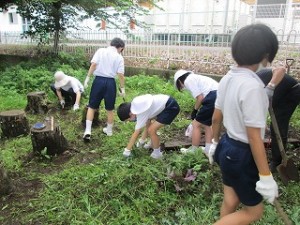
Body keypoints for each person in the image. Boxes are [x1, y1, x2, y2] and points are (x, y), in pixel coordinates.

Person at [208, 24, 284, 225]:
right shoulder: (253, 87)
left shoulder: (227, 78)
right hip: (242, 153)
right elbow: (253, 137)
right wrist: (266, 176)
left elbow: (216, 117)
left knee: (231, 199)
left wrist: (214, 143)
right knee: (253, 212)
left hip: (226, 146)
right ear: (266, 54)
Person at [257, 68, 300, 172]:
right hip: (281, 93)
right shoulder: (248, 82)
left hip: (291, 91)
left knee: (278, 124)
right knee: (275, 122)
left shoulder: (253, 81)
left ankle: (277, 161)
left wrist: (270, 87)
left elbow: (280, 69)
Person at [82, 37, 126, 140]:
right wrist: (122, 89)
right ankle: (109, 130)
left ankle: (88, 131)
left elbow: (93, 64)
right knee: (110, 109)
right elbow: (120, 75)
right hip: (110, 83)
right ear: (120, 48)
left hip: (98, 81)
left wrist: (87, 78)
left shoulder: (101, 51)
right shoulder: (119, 57)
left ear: (111, 44)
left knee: (92, 106)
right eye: (122, 50)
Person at [117, 94, 180, 159]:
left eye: (128, 119)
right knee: (148, 123)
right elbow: (148, 123)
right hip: (167, 102)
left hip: (171, 107)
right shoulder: (136, 106)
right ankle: (149, 143)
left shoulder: (140, 112)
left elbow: (137, 132)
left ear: (130, 114)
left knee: (151, 130)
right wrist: (141, 142)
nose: (130, 121)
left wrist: (127, 150)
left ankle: (157, 153)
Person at [174, 69, 218, 155]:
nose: (183, 87)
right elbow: (202, 98)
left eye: (180, 86)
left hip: (212, 97)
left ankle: (193, 150)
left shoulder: (188, 80)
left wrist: (195, 111)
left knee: (196, 125)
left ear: (179, 80)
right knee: (207, 124)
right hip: (219, 96)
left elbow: (200, 98)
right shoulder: (196, 78)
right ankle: (208, 149)